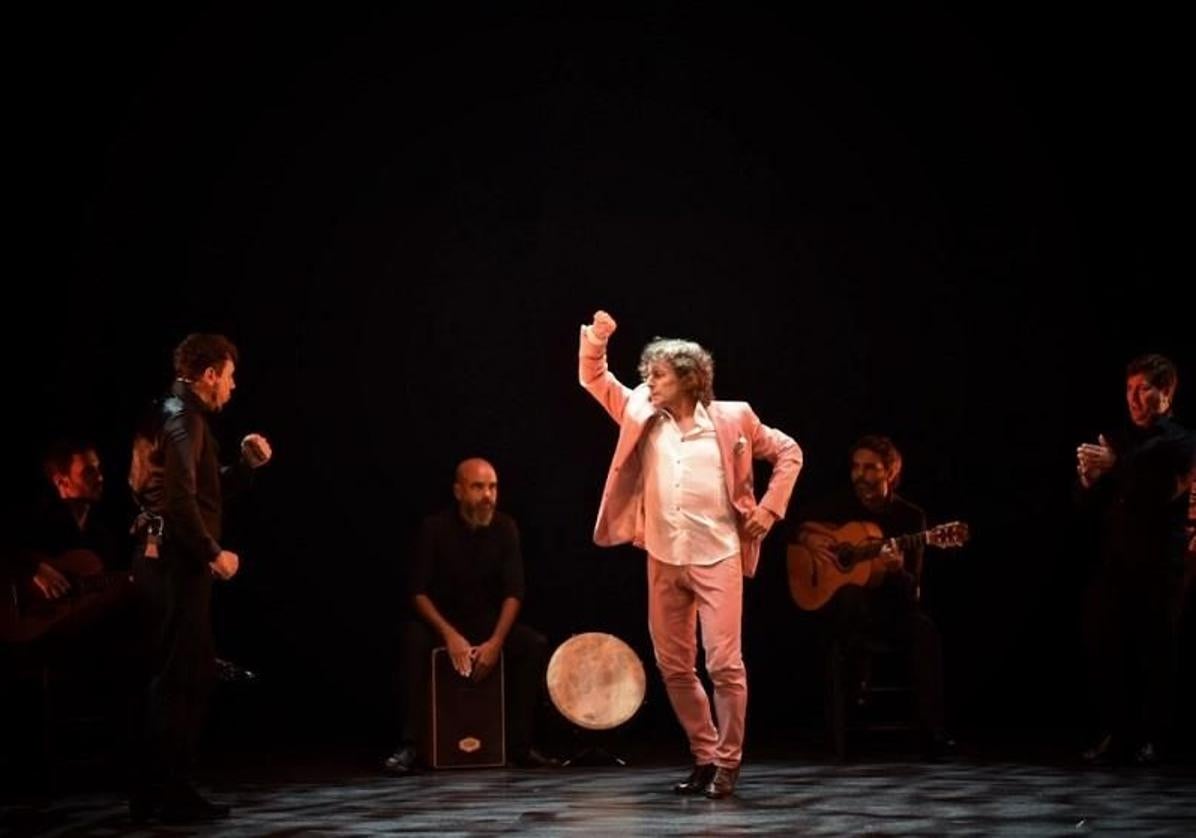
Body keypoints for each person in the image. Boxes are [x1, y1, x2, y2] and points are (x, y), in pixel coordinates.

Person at [578, 310, 802, 799]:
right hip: (663, 556)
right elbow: (594, 377)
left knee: (724, 664)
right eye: (647, 375)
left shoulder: (733, 418)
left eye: (657, 375)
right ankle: (704, 756)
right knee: (674, 666)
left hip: (718, 555)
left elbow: (789, 453)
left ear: (689, 378)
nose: (648, 383)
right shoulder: (639, 410)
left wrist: (770, 509)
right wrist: (598, 338)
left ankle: (728, 763)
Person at [127, 333, 272, 822]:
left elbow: (196, 492)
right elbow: (179, 503)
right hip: (176, 564)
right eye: (229, 376)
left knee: (176, 675)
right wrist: (213, 553)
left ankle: (155, 792)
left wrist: (245, 469)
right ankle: (168, 792)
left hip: (159, 559)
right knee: (184, 678)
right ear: (209, 374)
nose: (232, 387)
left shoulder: (166, 411)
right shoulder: (185, 419)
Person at [384, 458, 557, 774]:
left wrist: (495, 642)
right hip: (441, 623)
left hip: (487, 624)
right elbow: (417, 592)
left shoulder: (506, 527)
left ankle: (519, 745)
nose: (488, 495)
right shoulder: (434, 528)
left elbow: (514, 592)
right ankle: (410, 745)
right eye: (478, 487)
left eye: (492, 487)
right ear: (458, 491)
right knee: (411, 640)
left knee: (532, 644)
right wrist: (450, 636)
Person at [791, 435, 953, 758]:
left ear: (890, 472)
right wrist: (810, 540)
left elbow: (913, 589)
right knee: (850, 598)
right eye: (856, 467)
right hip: (844, 610)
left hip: (892, 608)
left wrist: (896, 569)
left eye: (870, 468)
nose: (860, 476)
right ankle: (841, 717)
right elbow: (796, 527)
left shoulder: (910, 518)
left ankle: (932, 733)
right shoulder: (837, 506)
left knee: (925, 633)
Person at [1076, 353, 1195, 764]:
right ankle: (1118, 732)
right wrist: (1090, 480)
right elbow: (1097, 503)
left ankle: (1154, 738)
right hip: (1117, 559)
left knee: (1157, 649)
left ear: (1166, 392)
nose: (1135, 398)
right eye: (1130, 389)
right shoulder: (1119, 440)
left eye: (1144, 389)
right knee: (1103, 641)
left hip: (1160, 560)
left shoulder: (1180, 439)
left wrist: (1114, 465)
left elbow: (1156, 479)